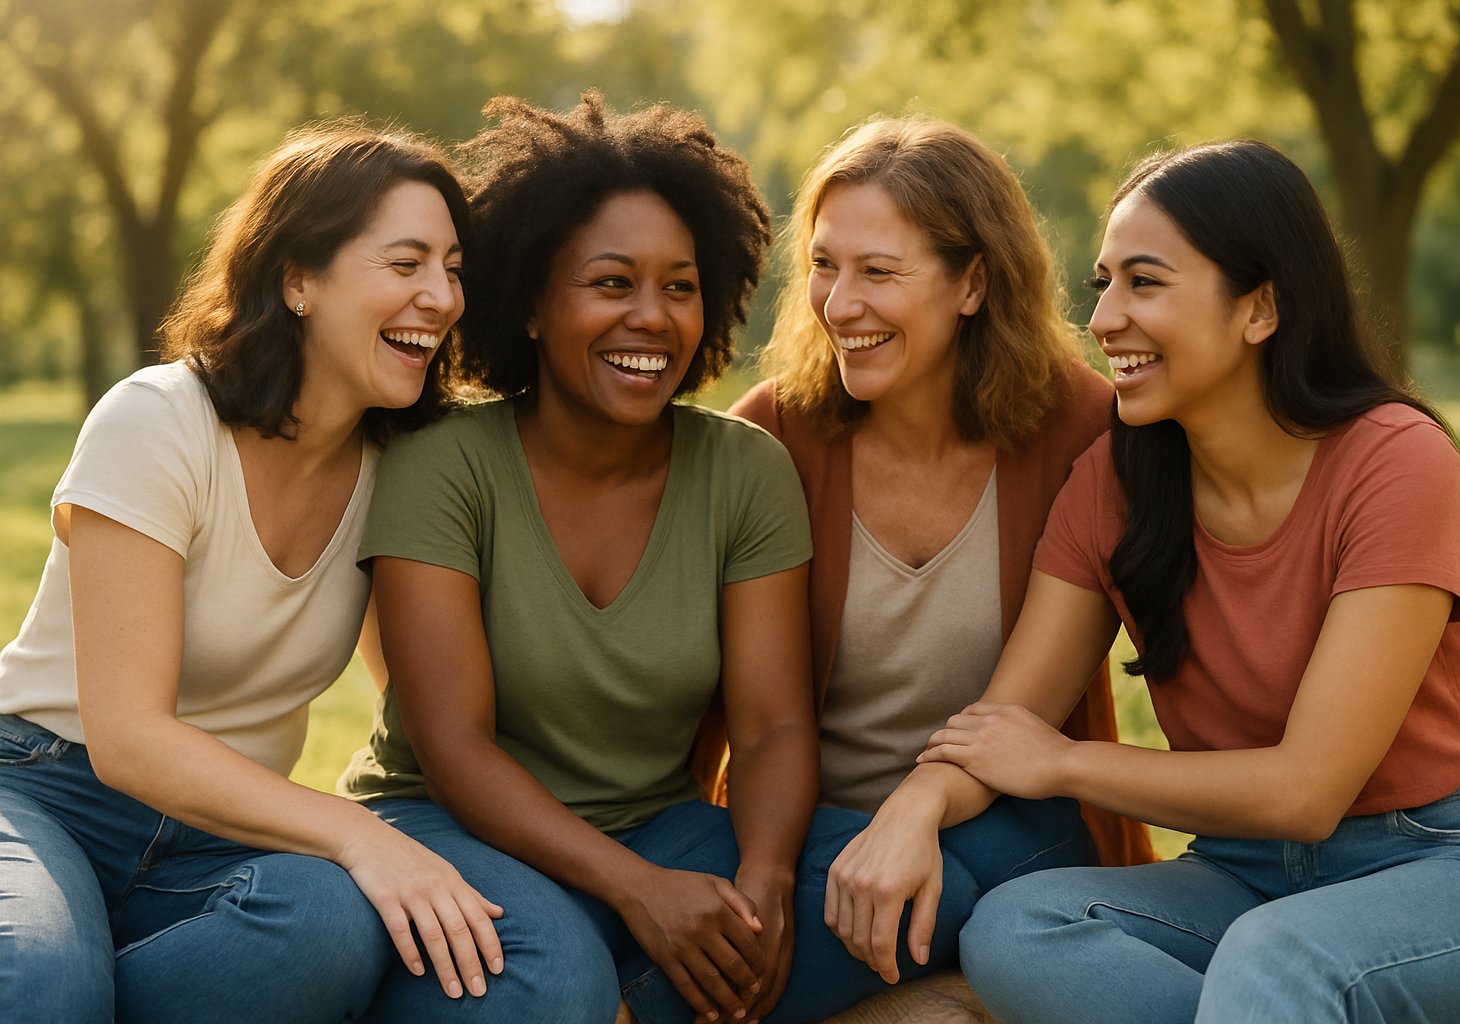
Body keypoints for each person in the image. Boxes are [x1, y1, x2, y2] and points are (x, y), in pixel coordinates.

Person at [885, 139, 1460, 1023]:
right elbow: (1013, 720)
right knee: (1019, 928)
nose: (1106, 317)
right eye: (1102, 284)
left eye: (1144, 283)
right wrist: (913, 809)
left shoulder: (1394, 461)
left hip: (1451, 862)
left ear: (1260, 308)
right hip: (1246, 872)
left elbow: (1307, 793)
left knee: (1278, 960)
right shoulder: (1114, 484)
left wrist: (1070, 765)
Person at [341, 93, 946, 1024]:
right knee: (553, 982)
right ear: (534, 304)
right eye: (612, 284)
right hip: (450, 826)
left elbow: (776, 724)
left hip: (665, 832)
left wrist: (768, 879)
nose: (653, 319)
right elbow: (454, 751)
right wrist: (639, 893)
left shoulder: (744, 469)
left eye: (679, 285)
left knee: (912, 905)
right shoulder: (442, 467)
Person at [0, 123, 506, 1022]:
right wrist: (358, 836)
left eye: (453, 267)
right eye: (406, 263)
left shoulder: (403, 465)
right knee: (42, 979)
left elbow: (417, 702)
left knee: (327, 926)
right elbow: (127, 738)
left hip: (218, 830)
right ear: (297, 279)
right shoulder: (156, 421)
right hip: (45, 787)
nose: (441, 296)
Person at [723, 116, 1153, 990]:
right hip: (810, 833)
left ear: (973, 283)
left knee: (942, 896)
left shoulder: (1086, 429)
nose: (841, 305)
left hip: (1016, 829)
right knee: (800, 925)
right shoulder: (772, 434)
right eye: (824, 264)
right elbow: (708, 702)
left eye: (880, 272)